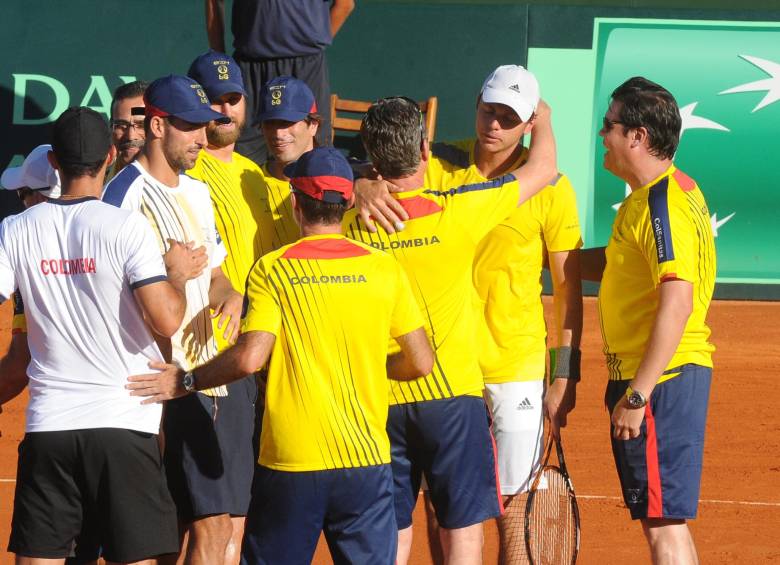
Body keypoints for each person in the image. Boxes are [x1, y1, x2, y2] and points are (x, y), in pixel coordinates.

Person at [126, 146, 434, 565]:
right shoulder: (385, 269)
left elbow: (251, 359)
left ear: (295, 203)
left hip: (292, 461)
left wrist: (188, 380)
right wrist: (368, 367)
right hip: (367, 461)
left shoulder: (274, 269)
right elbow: (420, 362)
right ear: (346, 203)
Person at [344, 95, 557, 564]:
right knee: (462, 529)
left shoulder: (348, 224)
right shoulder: (460, 209)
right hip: (452, 401)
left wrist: (356, 182)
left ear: (372, 156)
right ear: (425, 150)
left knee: (393, 532)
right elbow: (542, 170)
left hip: (379, 397)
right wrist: (542, 119)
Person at [0, 106, 201, 564]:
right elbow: (167, 321)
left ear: (54, 163)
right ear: (112, 156)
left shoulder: (14, 229)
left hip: (51, 424)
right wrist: (176, 275)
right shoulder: (127, 227)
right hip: (124, 421)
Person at [426, 65, 583, 562]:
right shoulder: (436, 163)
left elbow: (568, 290)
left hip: (514, 366)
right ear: (476, 103)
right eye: (488, 110)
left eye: (508, 117)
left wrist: (563, 377)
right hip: (446, 369)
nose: (494, 125)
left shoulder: (553, 188)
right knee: (443, 506)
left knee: (514, 505)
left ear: (529, 125)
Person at [102, 75, 246, 565]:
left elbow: (218, 271)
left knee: (195, 526)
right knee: (203, 526)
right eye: (191, 128)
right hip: (158, 383)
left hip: (203, 377)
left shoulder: (199, 191)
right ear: (159, 126)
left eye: (205, 127)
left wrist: (230, 296)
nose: (203, 139)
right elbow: (108, 293)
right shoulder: (122, 197)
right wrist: (171, 276)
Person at [582, 76, 716, 565]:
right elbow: (622, 266)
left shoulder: (663, 205)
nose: (603, 135)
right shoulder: (651, 197)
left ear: (637, 136)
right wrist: (554, 258)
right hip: (655, 377)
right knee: (660, 521)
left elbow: (678, 301)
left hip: (660, 380)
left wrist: (638, 394)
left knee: (664, 527)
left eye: (609, 126)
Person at [185, 48, 286, 565]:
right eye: (214, 100)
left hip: (259, 355)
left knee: (238, 514)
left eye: (233, 99)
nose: (225, 111)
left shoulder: (254, 174)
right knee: (211, 518)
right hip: (213, 354)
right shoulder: (188, 168)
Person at [205, 0, 355, 164]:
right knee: (244, 153)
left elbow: (345, 4)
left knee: (314, 153)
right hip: (251, 66)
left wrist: (314, 44)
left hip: (307, 65)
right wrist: (219, 55)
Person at [107, 80, 148, 181]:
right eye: (121, 125)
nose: (131, 136)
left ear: (158, 126)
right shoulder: (100, 187)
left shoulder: (186, 187)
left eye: (141, 125)